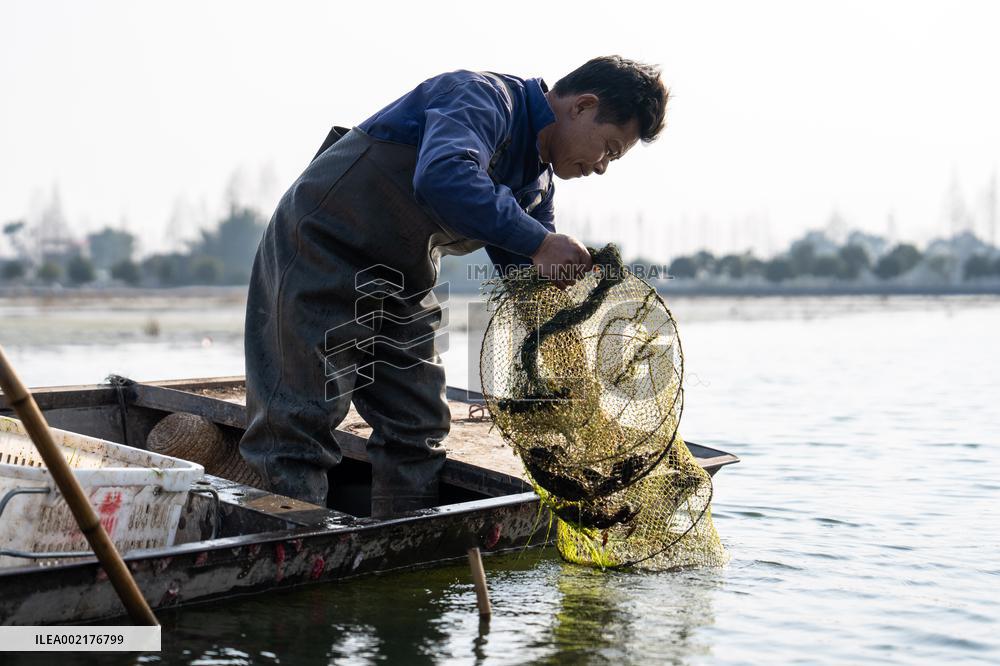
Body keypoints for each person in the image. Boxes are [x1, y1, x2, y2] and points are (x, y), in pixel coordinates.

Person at [240, 55, 669, 517]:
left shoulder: (538, 185)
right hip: (318, 252)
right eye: (609, 148)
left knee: (419, 425)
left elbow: (531, 293)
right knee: (297, 426)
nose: (603, 166)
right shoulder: (484, 99)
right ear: (583, 106)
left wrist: (573, 382)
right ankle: (293, 555)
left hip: (400, 284)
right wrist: (540, 242)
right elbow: (444, 175)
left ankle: (403, 555)